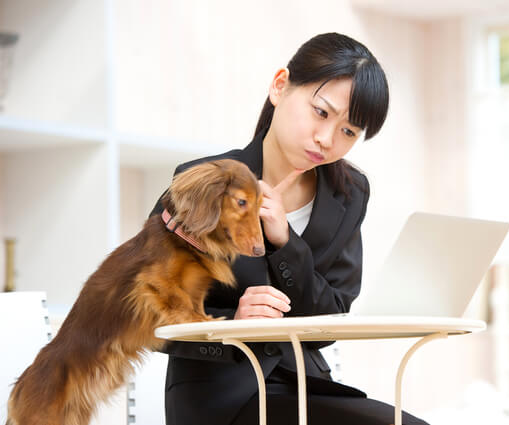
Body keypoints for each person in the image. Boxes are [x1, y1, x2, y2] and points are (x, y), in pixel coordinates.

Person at [150, 32, 427, 425]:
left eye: (349, 132)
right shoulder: (203, 182)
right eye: (321, 112)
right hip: (220, 396)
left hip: (305, 386)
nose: (327, 139)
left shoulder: (349, 195)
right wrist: (231, 326)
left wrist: (285, 241)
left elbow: (330, 320)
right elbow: (149, 309)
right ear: (280, 86)